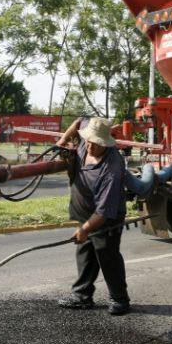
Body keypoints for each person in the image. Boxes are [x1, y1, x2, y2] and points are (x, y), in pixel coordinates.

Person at [55, 117, 131, 315]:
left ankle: (120, 299)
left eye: (95, 143)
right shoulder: (85, 142)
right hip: (86, 212)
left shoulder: (112, 167)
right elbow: (79, 121)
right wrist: (64, 140)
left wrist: (85, 229)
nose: (89, 145)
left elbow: (104, 211)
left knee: (107, 255)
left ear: (105, 143)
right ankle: (82, 296)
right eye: (87, 140)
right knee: (85, 253)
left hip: (106, 216)